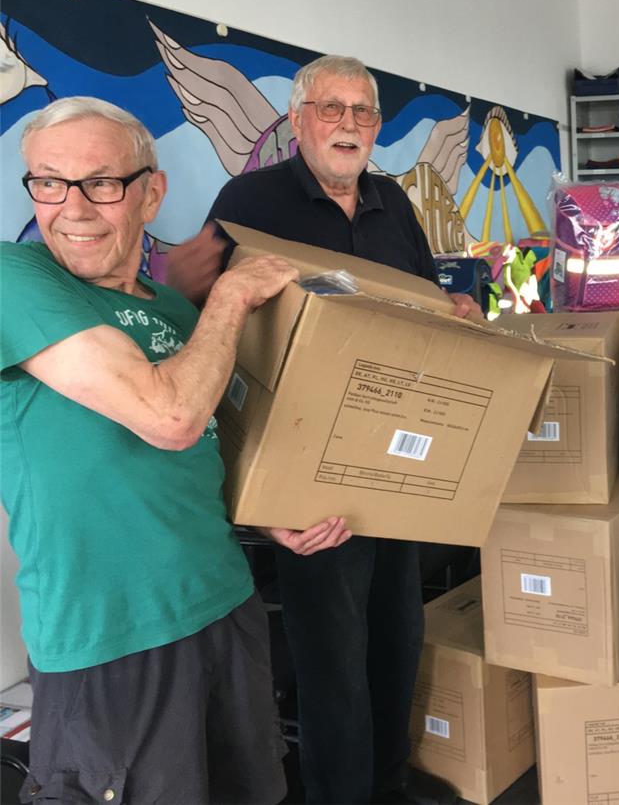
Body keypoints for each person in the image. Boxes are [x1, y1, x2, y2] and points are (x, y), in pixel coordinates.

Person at [1, 97, 352, 804]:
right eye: (48, 181)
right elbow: (170, 416)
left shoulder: (172, 311)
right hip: (110, 643)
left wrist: (264, 511)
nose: (72, 207)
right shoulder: (14, 278)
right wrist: (231, 296)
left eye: (101, 181)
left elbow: (203, 449)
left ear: (151, 191)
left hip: (225, 606)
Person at [166, 55, 476, 805]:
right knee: (332, 653)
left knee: (397, 635)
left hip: (396, 456)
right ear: (300, 118)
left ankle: (388, 784)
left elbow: (422, 302)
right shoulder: (253, 199)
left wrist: (457, 315)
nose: (348, 124)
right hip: (304, 469)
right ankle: (343, 794)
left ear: (376, 125)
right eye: (331, 108)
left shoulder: (391, 201)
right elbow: (192, 310)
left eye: (362, 112)